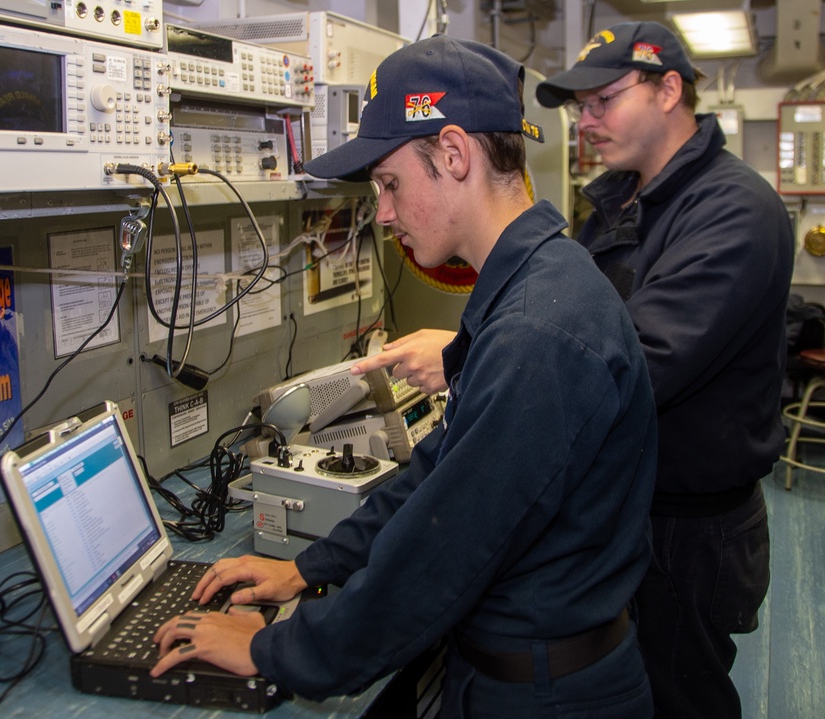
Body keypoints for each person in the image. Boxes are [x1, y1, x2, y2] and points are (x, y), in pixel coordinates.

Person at [149, 35, 658, 716]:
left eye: (390, 184)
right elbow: (436, 480)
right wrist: (308, 565)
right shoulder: (530, 288)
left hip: (549, 694)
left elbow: (440, 552)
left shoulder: (540, 329)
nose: (383, 213)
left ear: (453, 154)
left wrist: (275, 650)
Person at [357, 22, 794, 719]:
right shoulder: (618, 201)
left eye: (603, 99)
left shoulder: (736, 211)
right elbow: (577, 322)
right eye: (578, 105)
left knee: (682, 694)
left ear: (669, 88)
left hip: (688, 528)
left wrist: (479, 357)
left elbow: (626, 362)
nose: (584, 121)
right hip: (620, 506)